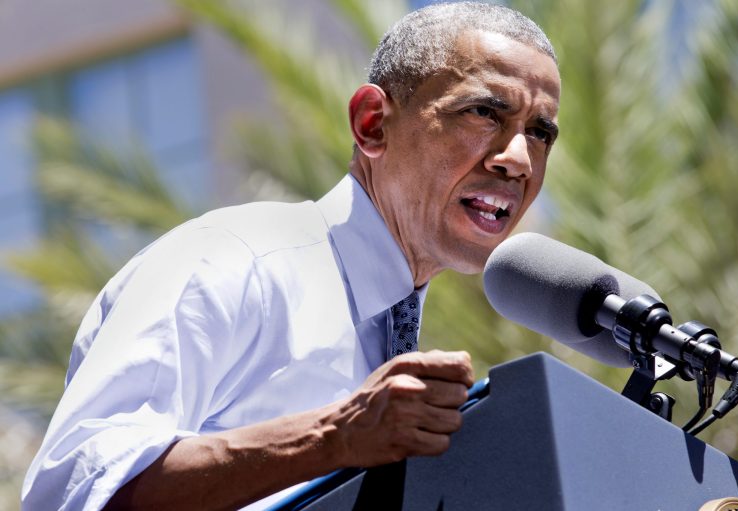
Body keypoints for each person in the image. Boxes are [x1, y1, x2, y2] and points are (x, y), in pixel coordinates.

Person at [22, 2, 560, 509]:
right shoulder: (233, 259)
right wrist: (331, 436)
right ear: (372, 123)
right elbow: (73, 490)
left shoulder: (397, 341)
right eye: (484, 112)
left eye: (540, 133)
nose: (519, 160)